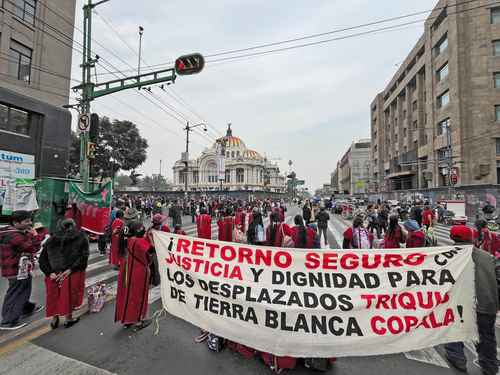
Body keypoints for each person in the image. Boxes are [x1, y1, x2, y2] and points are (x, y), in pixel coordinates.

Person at [444, 225, 499, 375]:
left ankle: (457, 358)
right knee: (487, 336)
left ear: (451, 237)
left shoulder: (445, 257)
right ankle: (490, 366)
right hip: (486, 304)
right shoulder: (488, 257)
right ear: (472, 238)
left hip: (459, 304)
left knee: (455, 329)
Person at [38, 219, 89, 329]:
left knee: (53, 296)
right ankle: (68, 319)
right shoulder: (81, 238)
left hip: (54, 274)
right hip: (71, 273)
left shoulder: (51, 239)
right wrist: (70, 269)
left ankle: (54, 319)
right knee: (69, 295)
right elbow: (83, 257)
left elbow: (42, 260)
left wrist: (49, 272)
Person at [0, 211, 43, 330]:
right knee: (15, 293)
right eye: (26, 221)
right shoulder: (16, 236)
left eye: (30, 220)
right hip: (16, 269)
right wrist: (34, 235)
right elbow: (33, 248)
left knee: (23, 288)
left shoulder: (8, 231)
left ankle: (26, 308)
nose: (30, 223)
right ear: (15, 222)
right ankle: (8, 321)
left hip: (16, 268)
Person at [114, 221, 153, 330]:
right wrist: (150, 237)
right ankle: (140, 320)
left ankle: (128, 318)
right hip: (137, 270)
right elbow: (151, 250)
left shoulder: (127, 239)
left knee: (128, 295)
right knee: (139, 296)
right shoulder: (138, 241)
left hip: (127, 269)